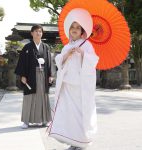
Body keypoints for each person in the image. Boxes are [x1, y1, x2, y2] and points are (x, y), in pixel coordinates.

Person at [48, 8, 99, 150]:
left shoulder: (87, 45)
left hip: (80, 87)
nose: (75, 30)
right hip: (67, 86)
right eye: (72, 27)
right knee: (69, 115)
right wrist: (66, 55)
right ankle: (73, 141)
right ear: (69, 30)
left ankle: (81, 142)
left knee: (80, 114)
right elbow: (59, 62)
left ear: (82, 31)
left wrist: (83, 54)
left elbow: (93, 62)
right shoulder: (67, 46)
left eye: (78, 27)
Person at [15, 24, 53, 129]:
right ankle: (26, 121)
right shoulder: (27, 47)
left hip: (43, 75)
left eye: (40, 31)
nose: (38, 33)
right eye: (36, 31)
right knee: (29, 97)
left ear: (42, 33)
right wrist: (22, 75)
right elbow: (22, 62)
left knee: (43, 97)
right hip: (31, 75)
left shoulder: (46, 47)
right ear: (31, 33)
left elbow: (49, 62)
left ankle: (45, 120)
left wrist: (50, 75)